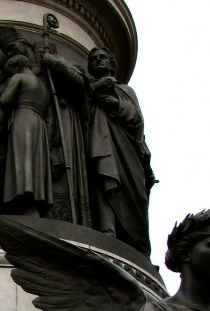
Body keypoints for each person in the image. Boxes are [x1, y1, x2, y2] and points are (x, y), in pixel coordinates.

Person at [44, 46, 154, 254]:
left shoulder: (124, 90)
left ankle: (130, 240)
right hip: (99, 140)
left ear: (112, 65)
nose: (98, 62)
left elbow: (136, 120)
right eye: (93, 59)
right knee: (103, 180)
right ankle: (107, 230)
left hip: (123, 146)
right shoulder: (89, 88)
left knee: (125, 189)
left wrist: (115, 104)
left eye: (102, 58)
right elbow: (80, 103)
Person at [0, 54, 53, 216]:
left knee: (21, 159)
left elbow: (6, 101)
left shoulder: (19, 77)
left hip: (23, 118)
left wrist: (1, 94)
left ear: (16, 67)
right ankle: (35, 203)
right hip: (39, 124)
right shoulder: (44, 86)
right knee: (35, 163)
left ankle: (21, 198)